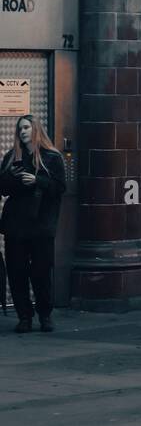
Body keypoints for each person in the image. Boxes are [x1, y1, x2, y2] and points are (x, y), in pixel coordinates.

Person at [0, 114, 66, 333]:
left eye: (27, 127)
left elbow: (59, 188)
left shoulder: (51, 157)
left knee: (40, 272)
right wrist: (15, 178)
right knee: (17, 272)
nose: (23, 132)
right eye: (20, 129)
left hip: (41, 224)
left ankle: (45, 315)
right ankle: (24, 317)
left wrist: (37, 180)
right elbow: (3, 188)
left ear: (36, 129)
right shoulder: (12, 157)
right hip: (16, 226)